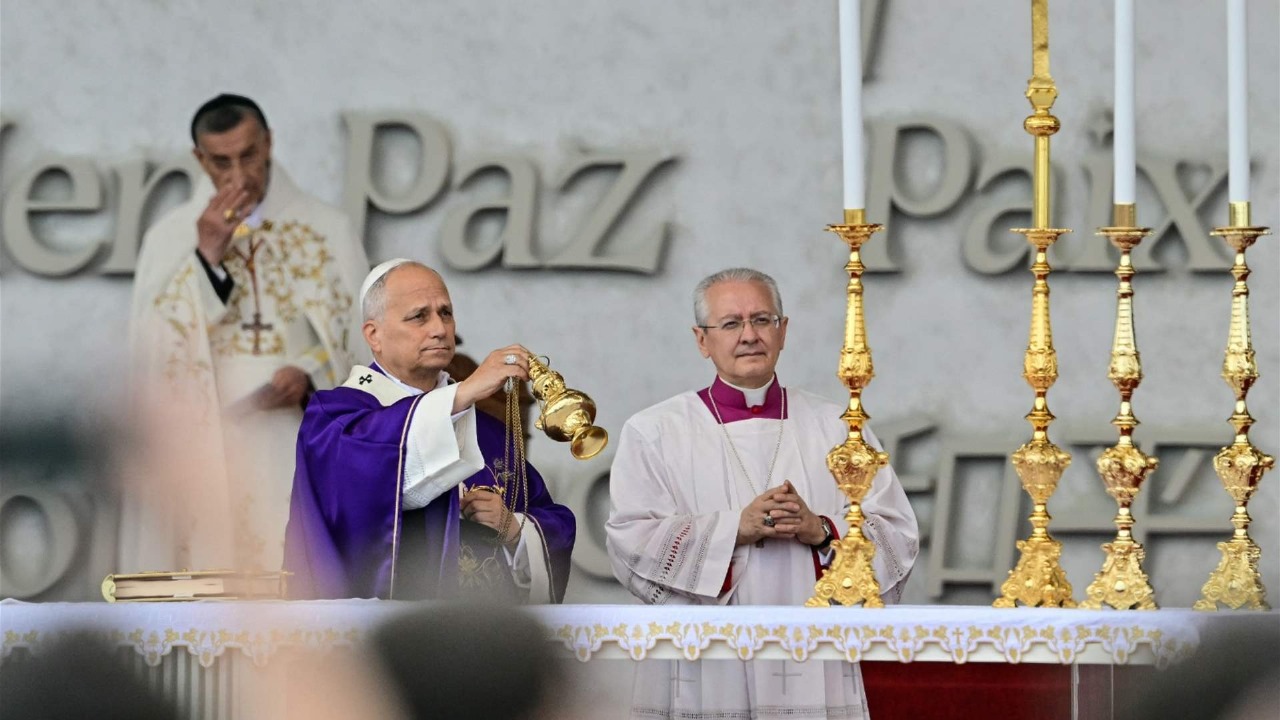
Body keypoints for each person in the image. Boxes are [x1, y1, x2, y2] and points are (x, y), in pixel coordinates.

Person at [606, 268, 919, 719]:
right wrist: (735, 528)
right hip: (705, 656)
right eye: (731, 323)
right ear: (701, 340)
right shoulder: (655, 431)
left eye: (762, 320)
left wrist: (821, 530)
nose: (749, 335)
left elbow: (898, 536)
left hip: (814, 650)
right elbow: (630, 542)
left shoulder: (839, 429)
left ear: (783, 330)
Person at [125, 94, 369, 574]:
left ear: (269, 143)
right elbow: (152, 354)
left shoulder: (327, 229)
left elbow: (359, 338)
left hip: (296, 440)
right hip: (213, 445)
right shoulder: (170, 238)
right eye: (221, 161)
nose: (239, 174)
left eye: (249, 155)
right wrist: (207, 256)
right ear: (199, 159)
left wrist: (311, 374)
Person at [283, 259, 575, 602]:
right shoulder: (334, 416)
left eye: (445, 313)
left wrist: (514, 528)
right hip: (384, 631)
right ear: (374, 335)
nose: (439, 328)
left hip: (486, 632)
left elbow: (552, 521)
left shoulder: (489, 432)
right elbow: (368, 483)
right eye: (419, 316)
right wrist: (464, 392)